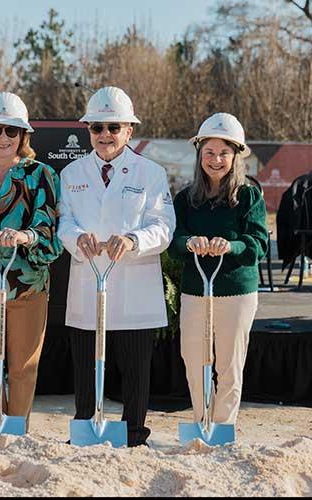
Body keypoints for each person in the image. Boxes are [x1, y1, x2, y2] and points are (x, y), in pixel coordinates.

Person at [57, 86, 176, 447]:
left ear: (129, 131)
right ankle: (84, 430)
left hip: (135, 291)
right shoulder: (71, 173)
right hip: (88, 285)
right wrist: (76, 237)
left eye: (114, 127)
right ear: (88, 130)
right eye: (97, 128)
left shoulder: (151, 174)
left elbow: (164, 226)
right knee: (86, 370)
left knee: (136, 374)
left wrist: (134, 241)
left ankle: (134, 436)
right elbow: (63, 221)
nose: (105, 135)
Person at [0, 92, 63, 429]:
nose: (3, 138)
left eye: (11, 131)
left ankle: (17, 430)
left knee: (22, 366)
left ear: (23, 136)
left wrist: (25, 236)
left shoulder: (42, 175)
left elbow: (50, 232)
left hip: (27, 283)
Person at [168, 112, 268, 428]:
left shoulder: (249, 196)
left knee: (229, 365)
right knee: (194, 361)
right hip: (196, 289)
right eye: (209, 152)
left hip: (236, 292)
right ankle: (201, 422)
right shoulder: (186, 198)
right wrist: (190, 243)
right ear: (199, 155)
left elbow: (258, 244)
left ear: (236, 156)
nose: (216, 159)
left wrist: (230, 246)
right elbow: (174, 242)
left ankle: (222, 427)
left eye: (224, 153)